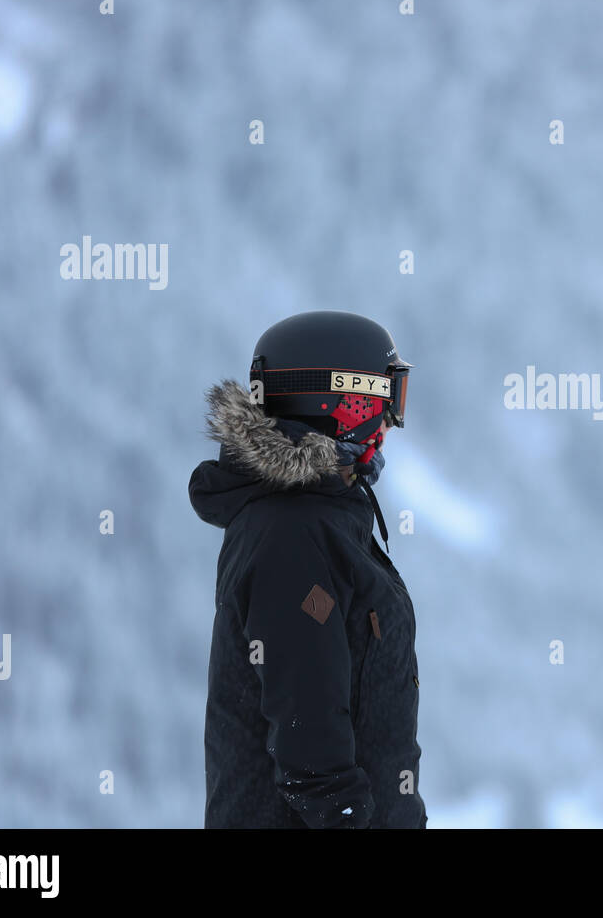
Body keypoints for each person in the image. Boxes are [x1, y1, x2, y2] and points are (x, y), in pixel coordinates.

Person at [189, 310, 425, 829]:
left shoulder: (326, 517)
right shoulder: (293, 533)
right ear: (336, 402)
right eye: (383, 399)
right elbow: (310, 742)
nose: (388, 420)